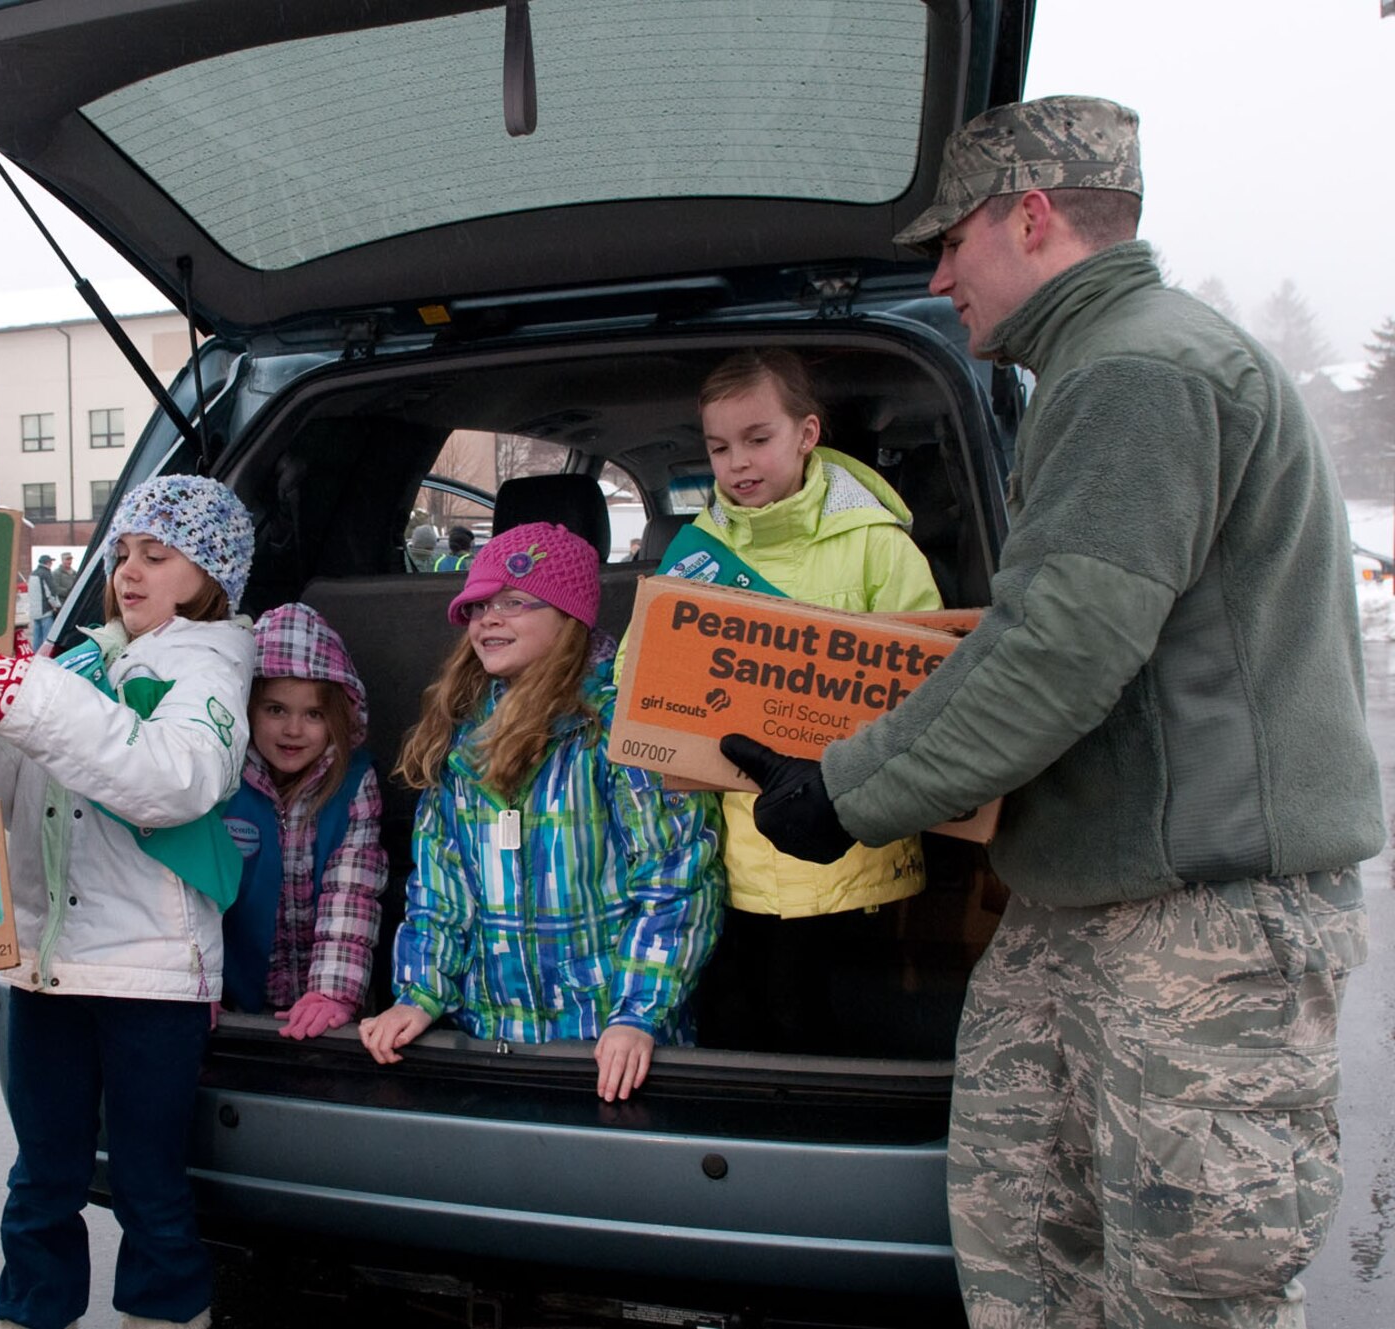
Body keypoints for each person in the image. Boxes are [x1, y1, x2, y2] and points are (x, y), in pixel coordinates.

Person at [720, 97, 1381, 1329]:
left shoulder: (1137, 369)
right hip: (1086, 900)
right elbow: (1037, 638)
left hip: (1200, 926)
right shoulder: (1104, 365)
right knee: (1030, 1240)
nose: (934, 275)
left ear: (1028, 218)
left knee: (1192, 1291)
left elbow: (1056, 652)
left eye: (947, 243)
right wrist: (851, 770)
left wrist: (850, 793)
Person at [0, 473, 256, 1329]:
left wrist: (19, 691)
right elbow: (12, 786)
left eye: (157, 556)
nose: (129, 571)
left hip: (149, 979)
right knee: (41, 1177)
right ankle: (29, 1313)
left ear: (210, 576)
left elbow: (170, 780)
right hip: (48, 968)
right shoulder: (82, 659)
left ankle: (164, 1315)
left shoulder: (210, 671)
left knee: (147, 1185)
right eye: (122, 553)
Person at [358, 523, 724, 1102]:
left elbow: (677, 879)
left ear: (569, 616)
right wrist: (420, 994)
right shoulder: (463, 738)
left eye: (513, 602)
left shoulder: (619, 731)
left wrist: (638, 1015)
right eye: (477, 606)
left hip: (610, 1043)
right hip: (492, 1039)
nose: (488, 619)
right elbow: (440, 887)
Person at [665, 348, 941, 1051]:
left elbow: (931, 693)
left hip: (856, 857)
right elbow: (648, 682)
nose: (738, 463)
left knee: (838, 1040)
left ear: (807, 434)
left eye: (758, 439)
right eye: (719, 446)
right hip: (735, 858)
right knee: (752, 1034)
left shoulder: (877, 547)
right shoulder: (694, 554)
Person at [221, 602, 387, 1037]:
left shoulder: (353, 783)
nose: (293, 730)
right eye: (275, 709)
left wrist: (333, 991)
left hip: (331, 1006)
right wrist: (197, 987)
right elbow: (193, 893)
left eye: (313, 714)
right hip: (232, 997)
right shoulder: (220, 776)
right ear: (245, 708)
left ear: (338, 719)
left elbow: (351, 891)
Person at [30, 553, 62, 649]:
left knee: (37, 638)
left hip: (34, 611)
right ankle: (45, 657)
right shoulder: (46, 574)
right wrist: (57, 606)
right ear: (47, 563)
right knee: (47, 638)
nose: (51, 564)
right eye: (51, 562)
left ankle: (36, 656)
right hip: (45, 610)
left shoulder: (33, 573)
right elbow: (51, 593)